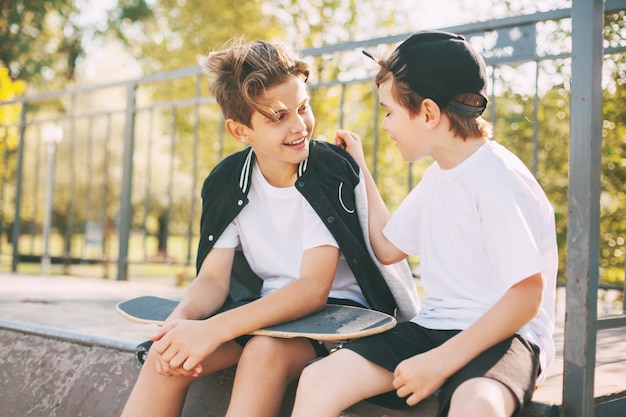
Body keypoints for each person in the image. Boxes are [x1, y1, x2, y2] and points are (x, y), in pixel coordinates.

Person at [120, 38, 419, 417]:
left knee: (264, 353)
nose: (299, 126)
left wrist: (213, 331)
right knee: (165, 361)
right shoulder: (227, 181)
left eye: (303, 108)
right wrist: (179, 327)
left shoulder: (326, 170)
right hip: (262, 312)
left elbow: (312, 290)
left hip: (336, 318)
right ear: (240, 131)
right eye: (278, 117)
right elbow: (213, 281)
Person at [290, 30, 558, 417]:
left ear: (428, 113)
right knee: (319, 379)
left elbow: (527, 294)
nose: (385, 124)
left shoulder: (497, 178)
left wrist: (440, 362)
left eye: (389, 111)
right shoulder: (439, 175)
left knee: (478, 405)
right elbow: (387, 246)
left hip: (505, 336)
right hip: (434, 328)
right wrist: (360, 169)